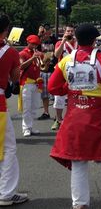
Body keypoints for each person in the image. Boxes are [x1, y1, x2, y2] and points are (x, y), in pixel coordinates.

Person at [48, 24, 101, 209]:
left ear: (76, 39)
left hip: (75, 116)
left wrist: (70, 88)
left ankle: (80, 204)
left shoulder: (66, 60)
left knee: (78, 162)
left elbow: (52, 87)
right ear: (94, 40)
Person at [0, 14, 29, 206]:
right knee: (8, 148)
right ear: (6, 30)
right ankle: (6, 193)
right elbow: (15, 77)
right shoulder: (9, 51)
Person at [52, 24, 77, 130]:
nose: (70, 33)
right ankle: (58, 119)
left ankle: (72, 119)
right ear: (64, 32)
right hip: (62, 73)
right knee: (59, 97)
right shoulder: (59, 42)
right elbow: (56, 55)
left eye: (71, 31)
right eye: (68, 31)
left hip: (75, 72)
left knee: (75, 97)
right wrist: (63, 41)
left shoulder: (78, 43)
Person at [19, 34, 43, 137]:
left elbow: (42, 68)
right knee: (27, 107)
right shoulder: (22, 53)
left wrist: (44, 61)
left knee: (35, 106)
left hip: (36, 83)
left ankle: (31, 126)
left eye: (36, 44)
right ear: (28, 42)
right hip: (26, 83)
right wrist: (32, 58)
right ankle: (26, 128)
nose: (34, 46)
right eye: (33, 44)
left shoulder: (38, 54)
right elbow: (21, 66)